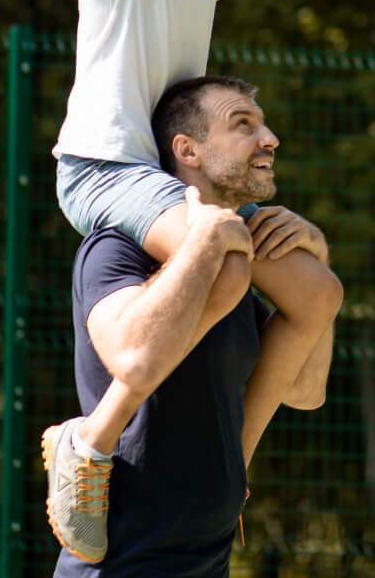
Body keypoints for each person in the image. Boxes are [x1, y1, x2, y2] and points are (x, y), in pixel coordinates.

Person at [42, 0, 336, 562]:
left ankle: (234, 471)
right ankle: (87, 443)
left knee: (306, 286)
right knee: (217, 245)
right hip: (106, 171)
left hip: (177, 179)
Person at [50, 76, 341, 576]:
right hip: (122, 559)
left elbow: (307, 391)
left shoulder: (246, 278)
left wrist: (317, 256)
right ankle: (79, 444)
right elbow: (135, 357)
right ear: (187, 150)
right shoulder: (114, 249)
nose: (268, 139)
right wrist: (206, 241)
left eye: (263, 125)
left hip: (210, 555)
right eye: (242, 124)